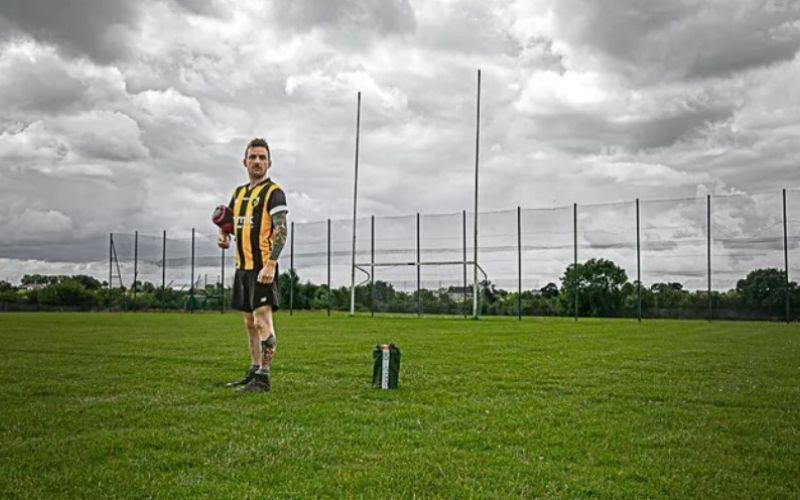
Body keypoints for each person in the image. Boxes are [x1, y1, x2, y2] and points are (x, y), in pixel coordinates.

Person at [218, 137, 288, 393]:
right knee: (249, 323)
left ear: (269, 163)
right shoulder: (238, 194)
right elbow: (229, 224)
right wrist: (223, 236)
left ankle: (264, 378)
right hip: (242, 268)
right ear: (244, 161)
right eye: (253, 157)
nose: (257, 161)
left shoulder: (274, 192)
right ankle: (254, 369)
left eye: (262, 157)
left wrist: (271, 263)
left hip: (262, 269)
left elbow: (281, 229)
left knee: (262, 323)